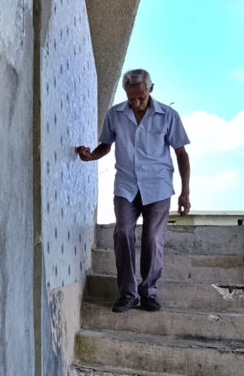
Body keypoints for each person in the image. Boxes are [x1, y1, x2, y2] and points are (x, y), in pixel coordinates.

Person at [76, 69, 190, 313]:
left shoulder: (168, 116)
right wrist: (89, 156)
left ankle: (148, 292)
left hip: (157, 186)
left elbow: (181, 153)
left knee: (152, 238)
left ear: (150, 89)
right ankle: (127, 294)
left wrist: (185, 192)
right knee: (123, 233)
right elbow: (105, 146)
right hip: (126, 185)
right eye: (131, 98)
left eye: (141, 97)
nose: (137, 103)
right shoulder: (115, 115)